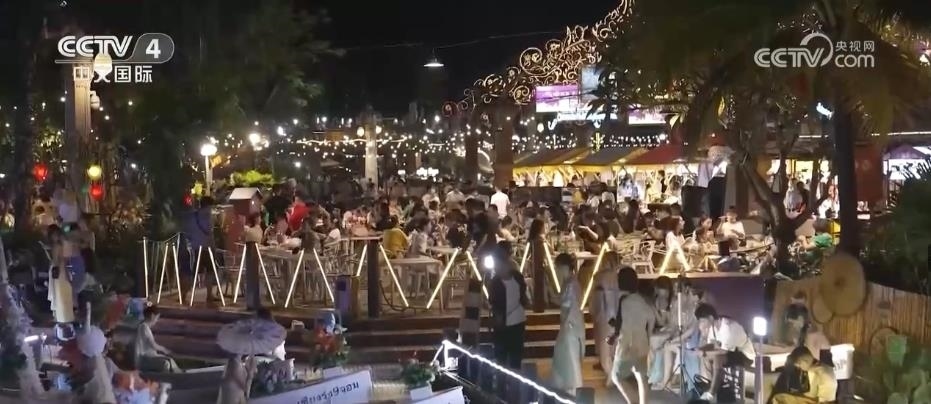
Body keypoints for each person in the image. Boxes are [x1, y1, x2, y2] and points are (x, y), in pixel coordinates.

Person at [608, 267, 655, 404]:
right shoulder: (641, 300)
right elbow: (651, 317)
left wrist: (613, 336)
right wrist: (648, 335)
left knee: (616, 376)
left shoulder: (622, 300)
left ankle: (633, 401)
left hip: (627, 345)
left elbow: (619, 324)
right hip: (642, 345)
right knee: (641, 376)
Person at [695, 303, 755, 401]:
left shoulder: (728, 327)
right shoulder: (713, 327)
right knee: (706, 357)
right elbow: (713, 344)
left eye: (703, 321)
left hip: (745, 355)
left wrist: (705, 352)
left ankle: (712, 392)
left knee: (717, 358)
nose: (701, 324)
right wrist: (702, 349)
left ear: (710, 318)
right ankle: (713, 385)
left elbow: (723, 351)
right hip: (731, 352)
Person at [489, 246, 528, 370]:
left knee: (515, 359)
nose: (495, 267)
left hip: (516, 322)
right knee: (502, 360)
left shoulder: (517, 278)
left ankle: (513, 380)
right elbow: (493, 302)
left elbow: (523, 295)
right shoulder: (495, 282)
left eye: (497, 263)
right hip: (503, 324)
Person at [551, 253, 584, 394]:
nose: (557, 271)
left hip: (571, 325)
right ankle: (567, 387)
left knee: (570, 357)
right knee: (565, 356)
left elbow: (568, 305)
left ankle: (573, 390)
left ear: (564, 267)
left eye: (558, 268)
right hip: (568, 324)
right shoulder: (569, 283)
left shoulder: (571, 284)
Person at [770, 347, 837, 404]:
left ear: (805, 362)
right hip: (817, 400)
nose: (799, 368)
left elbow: (822, 399)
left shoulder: (821, 374)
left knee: (779, 398)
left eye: (799, 365)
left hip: (822, 402)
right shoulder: (816, 367)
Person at [590, 254, 620, 380]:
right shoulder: (615, 277)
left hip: (605, 315)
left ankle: (612, 377)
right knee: (610, 345)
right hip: (610, 315)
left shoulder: (601, 276)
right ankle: (612, 374)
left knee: (605, 346)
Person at [134, 306, 181, 372]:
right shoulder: (144, 327)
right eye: (157, 318)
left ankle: (178, 373)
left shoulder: (143, 326)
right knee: (166, 363)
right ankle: (169, 377)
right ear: (152, 316)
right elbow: (153, 345)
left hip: (148, 357)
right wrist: (165, 350)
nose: (157, 320)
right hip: (144, 359)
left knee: (169, 360)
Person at [47, 225, 75, 324]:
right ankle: (67, 316)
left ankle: (60, 316)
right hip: (66, 269)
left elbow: (55, 260)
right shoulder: (66, 243)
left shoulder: (56, 246)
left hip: (58, 270)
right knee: (65, 293)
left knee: (58, 294)